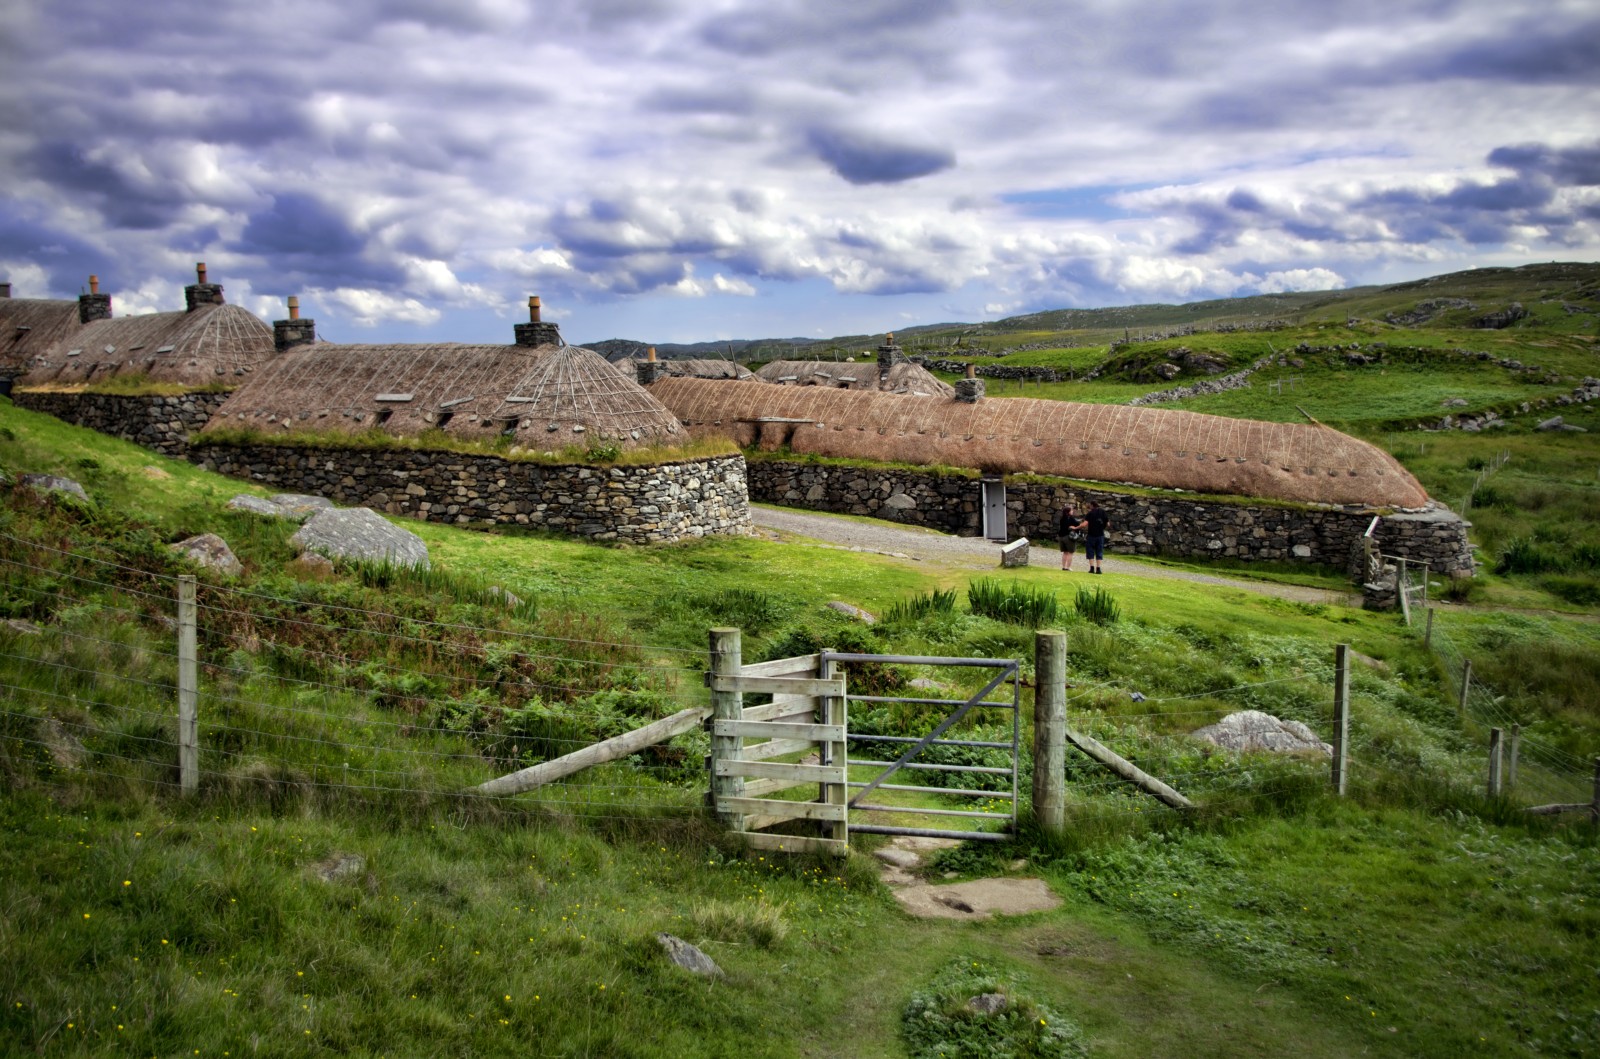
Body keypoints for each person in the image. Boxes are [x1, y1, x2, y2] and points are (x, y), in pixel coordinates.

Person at [1083, 501, 1110, 574]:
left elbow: (1085, 524)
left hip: (1091, 534)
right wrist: (1102, 527)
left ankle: (1092, 568)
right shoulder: (1103, 512)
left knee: (1090, 551)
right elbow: (1108, 523)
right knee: (1099, 551)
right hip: (1100, 535)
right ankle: (1098, 569)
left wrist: (1076, 527)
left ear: (1092, 505)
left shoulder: (1090, 513)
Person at [1057, 503, 1085, 571]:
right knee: (1070, 552)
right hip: (1068, 537)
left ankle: (1063, 567)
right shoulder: (1071, 518)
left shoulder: (1062, 518)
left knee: (1065, 552)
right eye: (1071, 510)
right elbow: (1077, 524)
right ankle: (1068, 567)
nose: (1072, 511)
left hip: (1061, 536)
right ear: (1068, 511)